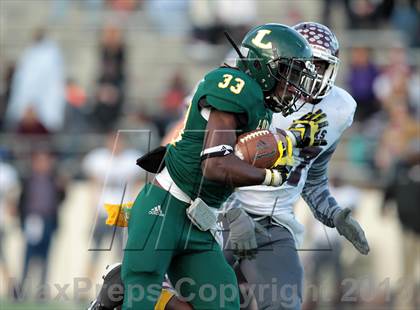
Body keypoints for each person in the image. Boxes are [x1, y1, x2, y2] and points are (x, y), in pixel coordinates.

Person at [91, 23, 325, 310]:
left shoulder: (259, 105)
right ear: (267, 66)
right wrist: (270, 178)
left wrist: (293, 138)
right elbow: (214, 166)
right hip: (164, 209)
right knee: (140, 300)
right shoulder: (235, 88)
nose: (292, 86)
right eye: (289, 73)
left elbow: (246, 152)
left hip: (198, 221)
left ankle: (122, 284)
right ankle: (116, 291)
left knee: (224, 304)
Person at [221, 22, 370, 310]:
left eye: (318, 65)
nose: (310, 75)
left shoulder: (339, 109)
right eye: (304, 64)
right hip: (217, 215)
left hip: (274, 222)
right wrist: (231, 214)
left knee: (283, 304)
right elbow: (213, 163)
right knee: (200, 300)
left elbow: (310, 179)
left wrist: (334, 214)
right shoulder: (252, 92)